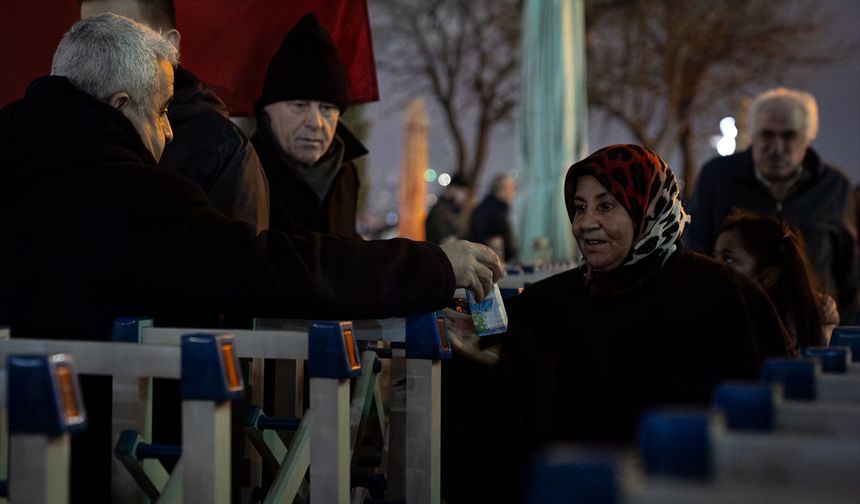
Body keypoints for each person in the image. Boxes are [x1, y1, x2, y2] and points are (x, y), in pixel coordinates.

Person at [0, 14, 502, 501]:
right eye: (161, 112)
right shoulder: (135, 195)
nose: (171, 132)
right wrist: (434, 266)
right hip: (80, 455)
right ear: (121, 104)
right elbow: (272, 266)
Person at [443, 145, 793, 503]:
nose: (585, 223)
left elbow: (772, 427)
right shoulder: (548, 304)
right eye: (580, 207)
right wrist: (474, 355)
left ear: (648, 208)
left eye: (605, 206)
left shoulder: (725, 297)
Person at [79, 0, 270, 234]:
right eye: (85, 36)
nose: (97, 52)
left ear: (170, 46)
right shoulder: (58, 129)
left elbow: (241, 263)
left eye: (122, 36)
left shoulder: (222, 149)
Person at [686, 87, 859, 322]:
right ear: (753, 135)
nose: (777, 148)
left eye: (789, 136)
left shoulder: (834, 188)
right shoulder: (717, 178)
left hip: (813, 330)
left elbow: (850, 275)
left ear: (808, 139)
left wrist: (842, 333)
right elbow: (696, 252)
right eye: (767, 135)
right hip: (734, 325)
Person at [252, 13, 367, 238]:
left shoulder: (345, 174)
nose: (315, 122)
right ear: (268, 111)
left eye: (326, 108)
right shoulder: (245, 171)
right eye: (299, 105)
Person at [714, 211, 838, 348]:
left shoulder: (810, 324)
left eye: (728, 260)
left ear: (767, 277)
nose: (714, 265)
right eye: (714, 256)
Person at [468, 173, 519, 262]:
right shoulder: (497, 212)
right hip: (491, 262)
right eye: (512, 189)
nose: (514, 193)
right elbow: (509, 247)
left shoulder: (482, 206)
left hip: (476, 258)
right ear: (503, 190)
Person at [425, 174, 470, 245]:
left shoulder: (456, 209)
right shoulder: (440, 210)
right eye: (463, 192)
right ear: (453, 189)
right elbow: (441, 236)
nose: (464, 196)